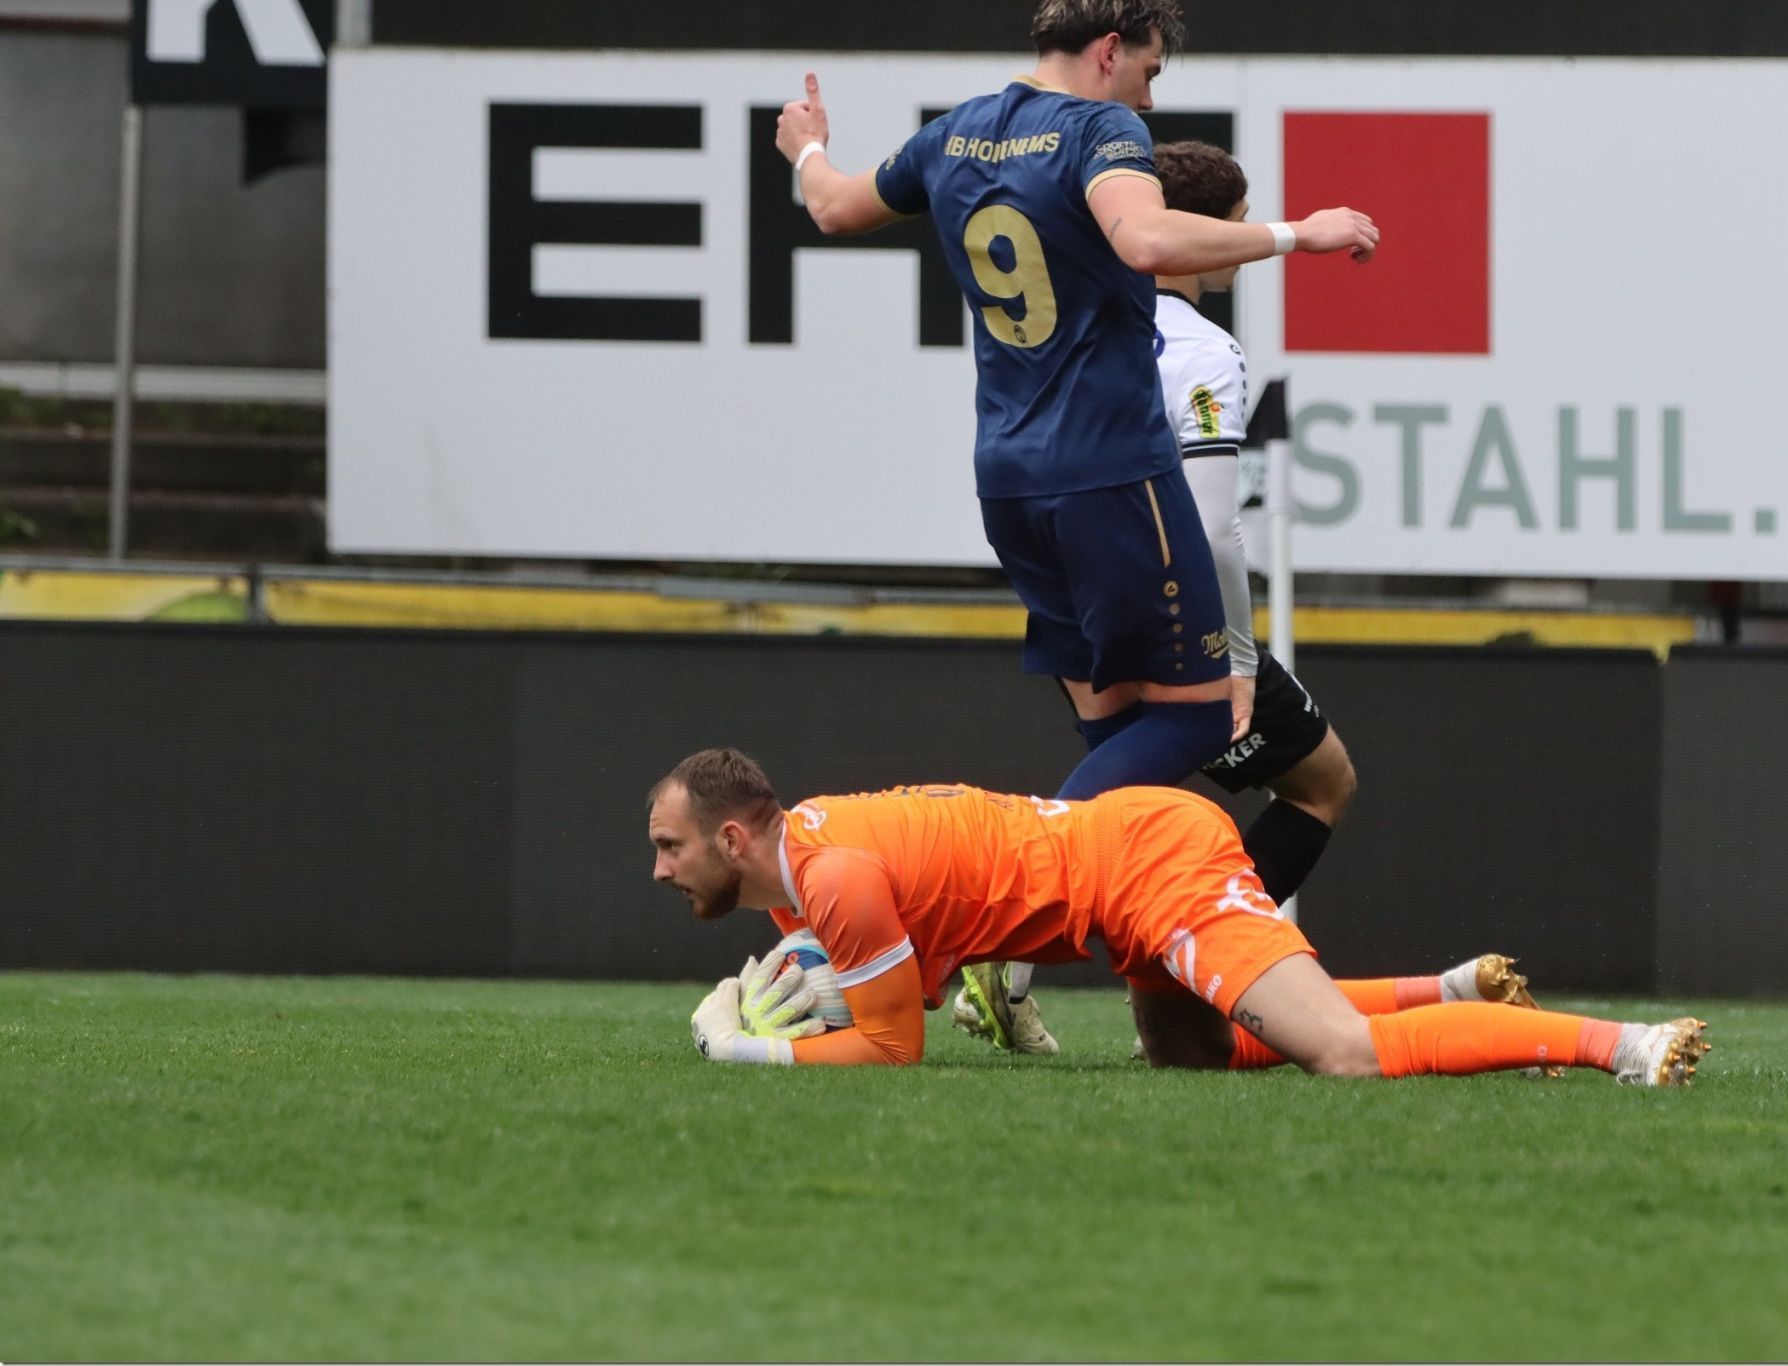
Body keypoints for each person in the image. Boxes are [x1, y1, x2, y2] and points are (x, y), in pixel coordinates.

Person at [771, 1, 1379, 822]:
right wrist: (1297, 234)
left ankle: (1116, 940)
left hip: (1009, 481)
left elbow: (834, 207)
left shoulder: (955, 132)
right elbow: (1148, 243)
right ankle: (1009, 901)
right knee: (1201, 716)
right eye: (1149, 72)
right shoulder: (1102, 131)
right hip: (1113, 472)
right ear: (1106, 51)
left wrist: (807, 144)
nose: (1149, 102)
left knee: (1123, 736)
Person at [954, 140, 1362, 1055]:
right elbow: (1214, 529)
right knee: (1322, 780)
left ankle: (1027, 963)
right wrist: (1241, 660)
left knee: (1125, 803)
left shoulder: (1079, 322)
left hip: (1055, 576)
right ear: (1211, 235)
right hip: (1162, 598)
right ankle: (1161, 968)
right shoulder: (1206, 351)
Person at [653, 748, 1711, 1086]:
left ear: (734, 839)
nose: (659, 867)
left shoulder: (829, 876)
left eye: (670, 845)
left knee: (1339, 1055)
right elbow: (915, 977)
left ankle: (1617, 1043)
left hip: (1145, 861)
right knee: (1188, 1053)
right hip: (1114, 884)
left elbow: (891, 1046)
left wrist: (742, 1048)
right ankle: (1446, 990)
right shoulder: (816, 863)